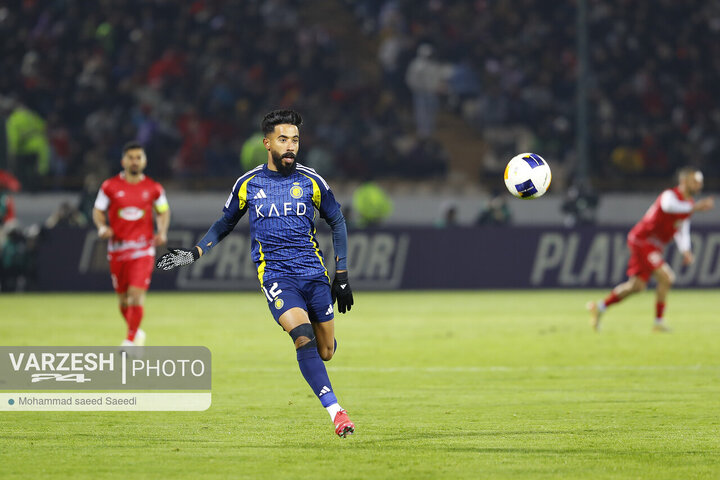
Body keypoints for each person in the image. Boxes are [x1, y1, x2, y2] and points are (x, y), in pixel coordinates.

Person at [156, 110, 356, 438]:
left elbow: (338, 220)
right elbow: (225, 223)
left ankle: (324, 351)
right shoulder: (249, 183)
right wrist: (195, 252)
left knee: (326, 351)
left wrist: (342, 274)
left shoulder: (312, 181)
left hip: (314, 274)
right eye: (283, 140)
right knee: (302, 336)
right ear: (267, 143)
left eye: (295, 140)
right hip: (276, 276)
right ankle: (337, 412)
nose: (290, 146)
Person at [587, 167, 713, 332]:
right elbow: (670, 208)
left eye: (700, 182)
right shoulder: (670, 196)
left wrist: (686, 250)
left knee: (637, 286)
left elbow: (682, 228)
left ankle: (600, 307)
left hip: (652, 245)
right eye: (695, 181)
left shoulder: (688, 205)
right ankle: (658, 323)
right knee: (667, 278)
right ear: (684, 181)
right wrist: (695, 208)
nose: (699, 185)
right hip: (642, 240)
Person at [92, 141, 171, 346]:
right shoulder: (109, 186)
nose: (135, 161)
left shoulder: (153, 188)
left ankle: (129, 341)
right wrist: (102, 227)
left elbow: (163, 211)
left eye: (139, 157)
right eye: (131, 157)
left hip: (142, 250)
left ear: (144, 161)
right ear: (123, 161)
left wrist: (161, 231)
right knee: (123, 302)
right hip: (117, 250)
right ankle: (136, 332)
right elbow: (98, 210)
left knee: (136, 295)